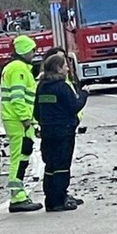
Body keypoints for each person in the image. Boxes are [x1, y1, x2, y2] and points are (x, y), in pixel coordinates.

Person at [34, 54, 89, 212]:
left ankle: (50, 200)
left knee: (50, 165)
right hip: (63, 131)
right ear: (58, 68)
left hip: (47, 131)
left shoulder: (42, 86)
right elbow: (74, 106)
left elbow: (37, 112)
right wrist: (84, 94)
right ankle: (59, 199)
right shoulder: (62, 87)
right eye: (65, 65)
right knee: (62, 166)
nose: (67, 68)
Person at [0, 35, 43, 212]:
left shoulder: (15, 67)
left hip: (17, 119)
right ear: (25, 50)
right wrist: (26, 119)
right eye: (32, 50)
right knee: (18, 159)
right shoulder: (18, 69)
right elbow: (18, 98)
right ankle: (17, 197)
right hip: (18, 120)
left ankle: (19, 195)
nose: (34, 53)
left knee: (22, 157)